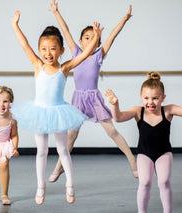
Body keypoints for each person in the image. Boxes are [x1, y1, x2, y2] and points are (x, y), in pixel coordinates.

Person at [11, 10, 102, 204]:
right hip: (39, 112)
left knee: (63, 150)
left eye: (53, 49)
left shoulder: (65, 68)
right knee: (41, 151)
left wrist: (95, 37)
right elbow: (24, 44)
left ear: (61, 50)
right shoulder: (37, 65)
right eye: (43, 49)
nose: (48, 53)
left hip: (59, 112)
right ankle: (40, 186)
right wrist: (15, 25)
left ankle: (70, 185)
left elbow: (85, 54)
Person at [48, 0, 137, 182]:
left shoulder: (98, 55)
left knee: (112, 131)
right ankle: (59, 167)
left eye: (94, 38)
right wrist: (56, 12)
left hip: (94, 99)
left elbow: (112, 35)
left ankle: (132, 161)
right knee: (71, 135)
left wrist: (125, 19)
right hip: (79, 100)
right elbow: (65, 30)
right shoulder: (75, 52)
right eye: (87, 37)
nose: (90, 40)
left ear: (97, 44)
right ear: (81, 42)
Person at [105, 72, 182, 213]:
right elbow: (118, 118)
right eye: (146, 98)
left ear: (163, 98)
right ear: (141, 97)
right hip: (144, 154)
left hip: (163, 153)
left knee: (164, 182)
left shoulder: (168, 110)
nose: (150, 102)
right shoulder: (138, 111)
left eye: (155, 98)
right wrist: (115, 104)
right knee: (144, 182)